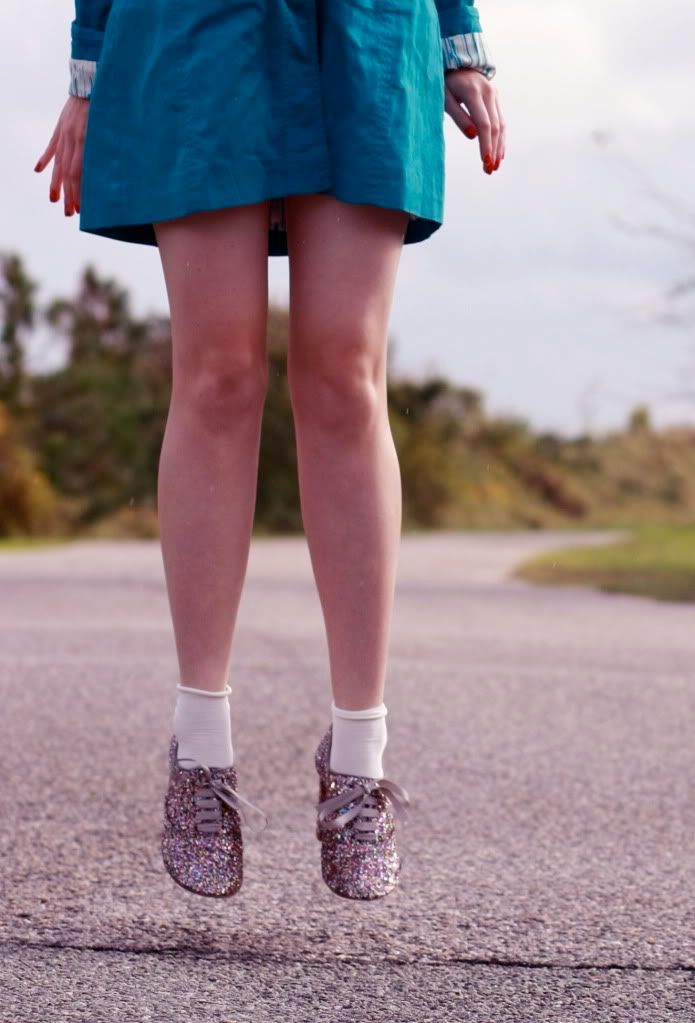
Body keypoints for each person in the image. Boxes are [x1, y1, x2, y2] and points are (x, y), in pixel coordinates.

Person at [34, 0, 504, 902]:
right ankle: (200, 753)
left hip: (365, 31)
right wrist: (89, 72)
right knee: (217, 374)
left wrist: (459, 41)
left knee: (344, 376)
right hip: (192, 31)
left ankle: (360, 761)